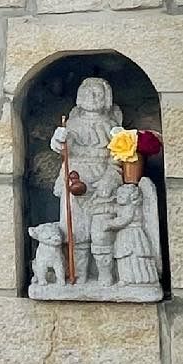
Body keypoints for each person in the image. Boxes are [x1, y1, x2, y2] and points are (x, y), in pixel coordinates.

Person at [50, 77, 122, 282]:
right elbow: (64, 144)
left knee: (102, 231)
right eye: (87, 91)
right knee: (76, 230)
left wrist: (110, 178)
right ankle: (78, 274)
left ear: (106, 97)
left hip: (102, 185)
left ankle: (104, 275)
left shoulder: (112, 126)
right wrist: (59, 140)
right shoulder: (72, 124)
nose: (92, 96)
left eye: (97, 92)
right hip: (75, 179)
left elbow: (118, 157)